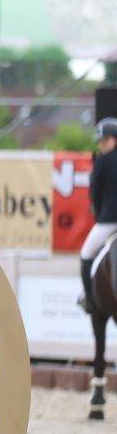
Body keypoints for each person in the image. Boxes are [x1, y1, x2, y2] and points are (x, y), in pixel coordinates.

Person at [81, 117, 117, 312]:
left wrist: (97, 211)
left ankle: (89, 299)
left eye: (105, 140)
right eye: (100, 141)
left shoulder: (102, 161)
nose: (101, 144)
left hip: (109, 220)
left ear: (114, 140)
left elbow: (95, 193)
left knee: (86, 254)